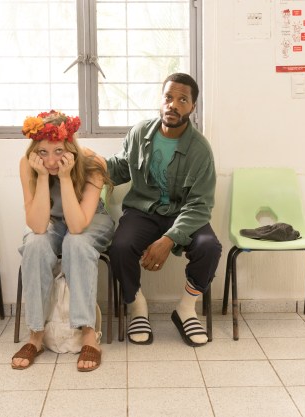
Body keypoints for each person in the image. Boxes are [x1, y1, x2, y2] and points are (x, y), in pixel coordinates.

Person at [106, 73, 222, 347]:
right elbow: (121, 168)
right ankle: (137, 307)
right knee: (120, 247)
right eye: (169, 97)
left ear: (192, 107)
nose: (173, 105)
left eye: (182, 100)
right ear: (161, 100)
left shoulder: (200, 150)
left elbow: (200, 205)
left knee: (210, 247)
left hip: (183, 213)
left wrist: (169, 240)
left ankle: (185, 309)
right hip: (142, 211)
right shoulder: (139, 133)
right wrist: (84, 160)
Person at [12, 110, 114, 372]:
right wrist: (44, 178)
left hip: (91, 221)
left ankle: (89, 334)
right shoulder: (28, 164)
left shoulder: (92, 163)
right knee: (35, 244)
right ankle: (35, 334)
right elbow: (36, 225)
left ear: (69, 148)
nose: (50, 160)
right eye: (43, 152)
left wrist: (66, 178)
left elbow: (79, 225)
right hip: (52, 221)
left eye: (58, 151)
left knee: (76, 243)